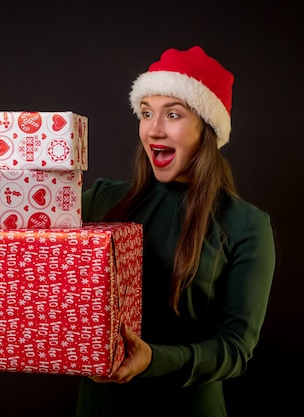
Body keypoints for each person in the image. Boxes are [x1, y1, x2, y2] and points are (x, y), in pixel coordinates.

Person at [75, 45, 276, 416]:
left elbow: (235, 349)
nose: (154, 129)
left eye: (173, 114)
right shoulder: (101, 199)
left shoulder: (245, 225)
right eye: (147, 112)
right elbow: (25, 235)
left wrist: (153, 359)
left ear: (207, 127)